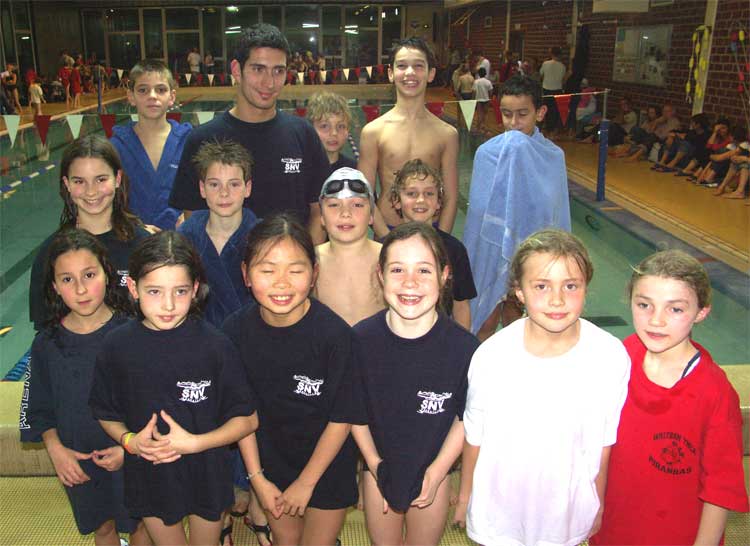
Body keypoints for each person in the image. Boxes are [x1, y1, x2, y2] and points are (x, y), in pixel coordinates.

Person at [455, 228, 630, 546]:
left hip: (565, 511)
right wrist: (466, 496)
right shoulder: (492, 356)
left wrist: (598, 500)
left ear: (586, 287)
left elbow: (604, 442)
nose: (557, 299)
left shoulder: (608, 356)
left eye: (570, 286)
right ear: (519, 292)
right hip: (498, 510)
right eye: (541, 286)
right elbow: (475, 436)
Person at [89, 231, 259, 546]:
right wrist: (130, 441)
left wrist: (195, 443)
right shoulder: (116, 347)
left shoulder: (216, 347)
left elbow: (247, 420)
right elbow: (104, 410)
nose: (168, 304)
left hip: (206, 471)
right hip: (151, 473)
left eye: (179, 291)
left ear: (195, 289)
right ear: (133, 288)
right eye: (154, 291)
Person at [592, 250, 749, 545]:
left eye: (675, 309)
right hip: (614, 530)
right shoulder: (622, 357)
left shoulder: (714, 393)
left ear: (701, 312)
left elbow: (721, 490)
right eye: (644, 305)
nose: (656, 320)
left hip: (677, 535)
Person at [223, 213, 359, 546]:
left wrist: (307, 482)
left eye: (295, 270)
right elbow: (242, 413)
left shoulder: (335, 336)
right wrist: (257, 479)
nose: (281, 283)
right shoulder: (234, 332)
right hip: (271, 463)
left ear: (314, 274)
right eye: (267, 270)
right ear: (246, 275)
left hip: (327, 463)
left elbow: (342, 418)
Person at [349, 222, 479, 545]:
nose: (410, 282)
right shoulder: (360, 341)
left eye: (423, 270)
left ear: (445, 275)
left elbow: (466, 417)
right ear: (380, 275)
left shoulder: (463, 348)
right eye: (397, 270)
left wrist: (438, 471)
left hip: (435, 469)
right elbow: (354, 412)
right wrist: (374, 465)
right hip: (379, 468)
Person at [20, 230, 149, 546]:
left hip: (133, 452)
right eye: (67, 279)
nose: (80, 289)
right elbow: (38, 409)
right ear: (54, 286)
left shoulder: (134, 334)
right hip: (77, 458)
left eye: (89, 275)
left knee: (142, 527)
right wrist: (57, 452)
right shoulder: (47, 344)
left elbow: (153, 401)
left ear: (107, 273)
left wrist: (130, 448)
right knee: (102, 527)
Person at [169, 24, 330, 244]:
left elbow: (318, 210)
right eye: (258, 69)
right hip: (225, 265)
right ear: (237, 70)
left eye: (278, 71)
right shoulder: (203, 139)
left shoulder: (303, 134)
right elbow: (194, 220)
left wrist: (304, 259)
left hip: (292, 264)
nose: (269, 83)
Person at [463, 74, 571, 339]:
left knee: (519, 325)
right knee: (484, 322)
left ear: (540, 113)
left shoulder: (552, 156)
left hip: (531, 254)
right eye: (507, 114)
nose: (513, 123)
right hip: (491, 252)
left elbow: (554, 214)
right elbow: (478, 216)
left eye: (522, 114)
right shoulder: (487, 154)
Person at [28, 135, 149, 331]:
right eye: (79, 181)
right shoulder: (52, 252)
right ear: (67, 184)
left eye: (101, 179)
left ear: (117, 179)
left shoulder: (143, 246)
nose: (91, 191)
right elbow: (45, 328)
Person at [358, 37, 459, 237]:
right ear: (391, 73)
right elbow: (364, 194)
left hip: (431, 231)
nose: (410, 72)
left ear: (431, 74)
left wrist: (441, 240)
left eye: (418, 66)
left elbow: (451, 197)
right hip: (387, 230)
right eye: (402, 66)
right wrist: (385, 239)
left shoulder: (447, 134)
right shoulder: (373, 132)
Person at [178, 139, 258, 327]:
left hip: (251, 335)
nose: (224, 193)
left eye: (234, 184)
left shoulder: (262, 238)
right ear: (202, 189)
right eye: (214, 185)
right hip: (198, 336)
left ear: (247, 188)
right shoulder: (185, 237)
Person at [389, 159, 475, 331]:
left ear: (438, 202)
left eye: (429, 194)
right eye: (411, 194)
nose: (421, 200)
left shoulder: (454, 249)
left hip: (440, 336)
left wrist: (464, 342)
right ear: (397, 200)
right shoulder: (385, 248)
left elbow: (461, 306)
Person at [111, 60, 191, 231]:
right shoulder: (115, 147)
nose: (152, 96)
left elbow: (205, 190)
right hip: (132, 238)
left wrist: (191, 216)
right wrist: (133, 227)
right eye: (143, 90)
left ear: (172, 97)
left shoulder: (189, 141)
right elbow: (106, 201)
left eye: (160, 90)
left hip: (180, 239)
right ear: (131, 96)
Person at [315, 167, 384, 327]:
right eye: (334, 205)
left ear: (371, 216)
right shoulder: (309, 261)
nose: (345, 213)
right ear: (322, 217)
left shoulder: (389, 259)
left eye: (357, 205)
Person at [306, 91, 357, 170]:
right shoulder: (301, 169)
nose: (334, 133)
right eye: (324, 126)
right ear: (310, 129)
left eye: (341, 126)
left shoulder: (354, 169)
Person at [539, 47, 566, 135]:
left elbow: (541, 74)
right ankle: (551, 129)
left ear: (551, 54)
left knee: (544, 109)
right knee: (554, 111)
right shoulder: (563, 66)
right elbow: (563, 80)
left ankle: (541, 128)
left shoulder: (545, 63)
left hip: (546, 89)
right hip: (557, 90)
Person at [472, 67, 493, 132]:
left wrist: (473, 99)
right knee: (485, 114)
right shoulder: (488, 82)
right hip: (486, 99)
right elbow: (490, 91)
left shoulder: (476, 82)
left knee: (479, 114)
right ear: (485, 74)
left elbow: (474, 91)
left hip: (479, 100)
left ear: (479, 74)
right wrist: (490, 98)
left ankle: (478, 127)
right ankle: (483, 126)